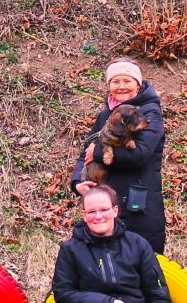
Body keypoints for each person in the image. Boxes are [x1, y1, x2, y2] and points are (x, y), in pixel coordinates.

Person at [71, 58, 166, 253]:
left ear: (138, 84)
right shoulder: (105, 116)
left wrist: (97, 153)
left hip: (139, 207)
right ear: (109, 86)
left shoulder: (150, 113)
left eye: (127, 81)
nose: (121, 86)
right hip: (105, 208)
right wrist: (77, 183)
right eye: (115, 81)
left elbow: (141, 154)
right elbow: (85, 153)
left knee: (143, 265)